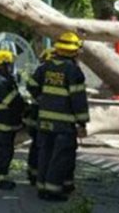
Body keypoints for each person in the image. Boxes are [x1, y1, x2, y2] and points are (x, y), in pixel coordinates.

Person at [29, 31, 89, 202]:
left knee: (45, 154)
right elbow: (78, 99)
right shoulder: (74, 71)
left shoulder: (45, 67)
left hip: (44, 121)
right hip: (64, 124)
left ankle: (42, 188)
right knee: (60, 156)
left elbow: (32, 86)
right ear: (75, 51)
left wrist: (42, 100)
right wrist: (82, 123)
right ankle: (53, 191)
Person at [0, 50, 26, 190]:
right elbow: (11, 101)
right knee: (2, 152)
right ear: (3, 64)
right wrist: (23, 107)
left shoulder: (5, 78)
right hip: (2, 124)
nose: (11, 66)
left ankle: (1, 177)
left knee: (6, 151)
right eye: (10, 63)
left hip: (6, 123)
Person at [24, 48, 53, 185]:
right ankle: (38, 175)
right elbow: (31, 86)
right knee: (42, 146)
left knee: (36, 145)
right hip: (40, 114)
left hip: (37, 113)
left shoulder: (42, 70)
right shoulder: (45, 70)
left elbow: (30, 86)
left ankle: (33, 174)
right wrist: (41, 98)